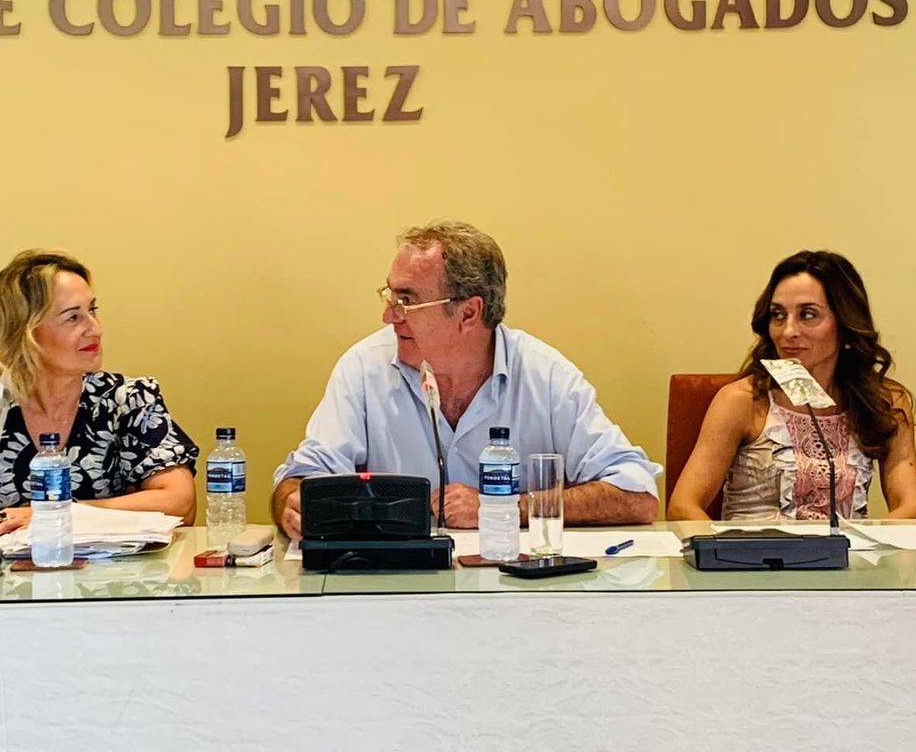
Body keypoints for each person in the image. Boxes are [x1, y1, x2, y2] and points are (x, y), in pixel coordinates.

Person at [272, 220, 660, 539]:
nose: (389, 317)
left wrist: (504, 507)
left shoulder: (545, 375)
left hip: (518, 596)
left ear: (469, 313)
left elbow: (637, 494)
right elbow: (301, 477)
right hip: (394, 597)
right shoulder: (363, 368)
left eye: (407, 301)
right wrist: (292, 502)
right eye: (389, 297)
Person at [0, 250, 197, 535]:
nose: (95, 328)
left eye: (93, 310)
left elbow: (179, 504)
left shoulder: (126, 400)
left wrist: (54, 515)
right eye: (73, 317)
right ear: (23, 332)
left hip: (110, 586)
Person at [668, 249, 916, 522]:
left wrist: (871, 552)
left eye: (807, 315)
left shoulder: (884, 400)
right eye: (778, 315)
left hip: (850, 560)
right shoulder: (742, 400)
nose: (788, 331)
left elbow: (912, 507)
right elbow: (683, 507)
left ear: (846, 324)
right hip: (754, 559)